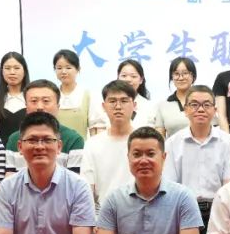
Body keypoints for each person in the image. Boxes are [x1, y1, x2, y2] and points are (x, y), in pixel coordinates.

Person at [164, 85, 230, 234]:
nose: (200, 109)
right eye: (194, 104)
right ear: (186, 110)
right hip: (184, 210)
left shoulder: (228, 141)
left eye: (206, 105)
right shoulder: (172, 143)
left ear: (215, 110)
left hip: (218, 209)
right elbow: (171, 185)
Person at [3, 80, 84, 176]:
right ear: (26, 107)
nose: (40, 107)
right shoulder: (14, 139)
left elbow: (74, 181)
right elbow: (10, 178)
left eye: (46, 101)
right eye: (34, 101)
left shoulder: (73, 139)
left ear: (58, 106)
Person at [80, 81, 138, 210]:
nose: (118, 106)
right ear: (103, 106)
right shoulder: (92, 144)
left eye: (124, 101)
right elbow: (87, 189)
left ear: (134, 105)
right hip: (104, 213)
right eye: (112, 101)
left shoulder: (144, 141)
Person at [88, 60, 159, 133]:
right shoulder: (105, 104)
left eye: (133, 76)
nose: (128, 80)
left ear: (141, 80)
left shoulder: (151, 107)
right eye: (124, 76)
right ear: (118, 77)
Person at [0, 51, 30, 143]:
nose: (12, 72)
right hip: (2, 148)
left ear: (25, 71)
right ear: (2, 71)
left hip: (29, 147)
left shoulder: (32, 98)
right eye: (7, 68)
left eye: (17, 68)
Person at [154, 56, 199, 139]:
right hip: (172, 147)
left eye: (185, 73)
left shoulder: (203, 102)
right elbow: (160, 138)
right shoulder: (163, 105)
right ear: (172, 77)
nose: (181, 78)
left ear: (193, 76)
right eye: (176, 74)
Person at [52, 49, 91, 138]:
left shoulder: (87, 95)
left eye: (68, 68)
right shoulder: (51, 95)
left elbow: (96, 127)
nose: (63, 72)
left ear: (78, 69)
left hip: (80, 145)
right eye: (59, 68)